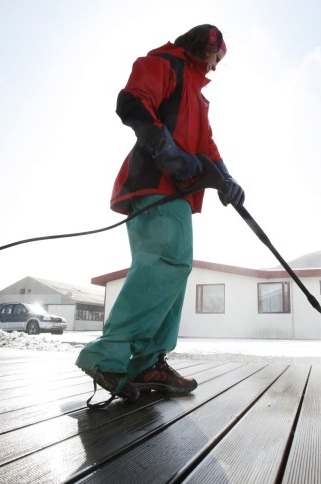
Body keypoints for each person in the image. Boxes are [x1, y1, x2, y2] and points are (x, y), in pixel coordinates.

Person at [75, 24, 245, 407]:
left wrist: (227, 179)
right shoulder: (164, 64)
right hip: (155, 184)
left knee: (175, 268)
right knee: (164, 265)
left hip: (179, 194)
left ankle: (148, 362)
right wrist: (169, 153)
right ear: (208, 46)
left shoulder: (198, 99)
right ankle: (109, 354)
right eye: (217, 59)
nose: (216, 68)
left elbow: (206, 146)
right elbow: (132, 103)